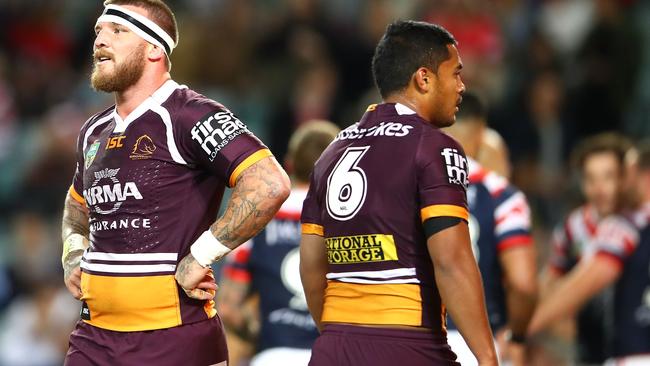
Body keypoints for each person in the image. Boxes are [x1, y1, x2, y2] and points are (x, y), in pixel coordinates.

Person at [60, 1, 290, 365]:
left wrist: (202, 255)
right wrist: (72, 252)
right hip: (94, 339)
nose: (100, 40)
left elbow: (268, 182)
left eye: (117, 31)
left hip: (174, 339)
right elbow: (77, 205)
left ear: (154, 48)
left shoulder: (189, 114)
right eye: (98, 31)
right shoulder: (93, 130)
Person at [300, 20, 497, 366]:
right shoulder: (435, 147)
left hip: (333, 348)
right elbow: (451, 261)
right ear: (424, 78)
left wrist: (336, 335)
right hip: (407, 344)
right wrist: (487, 357)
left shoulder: (331, 152)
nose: (462, 87)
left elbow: (312, 266)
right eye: (455, 74)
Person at [218, 120, 340, 366]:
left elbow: (229, 308)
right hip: (336, 356)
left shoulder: (258, 219)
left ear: (289, 164)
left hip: (274, 355)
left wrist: (261, 333)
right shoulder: (351, 221)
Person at [528, 142, 650, 365]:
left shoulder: (630, 224)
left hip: (630, 347)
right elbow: (549, 282)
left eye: (609, 177)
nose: (600, 188)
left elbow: (589, 280)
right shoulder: (572, 229)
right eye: (591, 179)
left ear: (625, 178)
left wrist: (522, 329)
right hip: (590, 351)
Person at [444, 92, 537, 366]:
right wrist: (518, 336)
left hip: (418, 338)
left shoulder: (409, 186)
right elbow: (523, 284)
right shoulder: (501, 195)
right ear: (481, 131)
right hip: (481, 342)